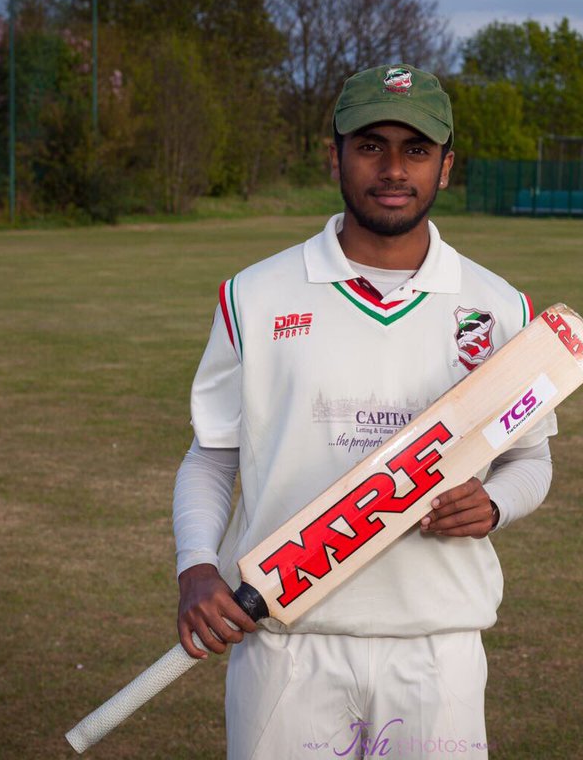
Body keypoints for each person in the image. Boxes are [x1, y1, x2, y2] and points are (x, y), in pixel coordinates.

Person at [173, 63, 556, 759]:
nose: (393, 169)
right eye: (370, 145)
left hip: (437, 647)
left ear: (446, 166)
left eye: (416, 150)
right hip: (286, 642)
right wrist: (197, 565)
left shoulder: (500, 308)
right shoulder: (254, 296)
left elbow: (530, 457)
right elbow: (212, 452)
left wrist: (496, 505)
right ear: (335, 155)